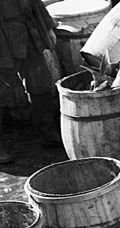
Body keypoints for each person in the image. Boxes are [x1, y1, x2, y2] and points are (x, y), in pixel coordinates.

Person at [0, 0, 61, 164]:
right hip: (3, 42)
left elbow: (35, 3)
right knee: (2, 92)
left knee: (41, 83)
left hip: (28, 33)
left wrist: (48, 27)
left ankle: (47, 132)